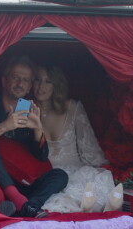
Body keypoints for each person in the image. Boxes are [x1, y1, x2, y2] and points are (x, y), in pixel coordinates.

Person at [0, 56, 68, 218]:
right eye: (15, 77)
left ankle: (27, 205)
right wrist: (3, 127)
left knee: (60, 175)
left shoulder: (25, 107)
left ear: (29, 86)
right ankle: (20, 202)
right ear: (4, 81)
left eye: (25, 80)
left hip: (22, 181)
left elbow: (41, 157)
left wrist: (38, 130)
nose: (20, 84)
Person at [33, 65, 123, 213]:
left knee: (93, 187)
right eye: (37, 80)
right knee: (56, 200)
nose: (41, 86)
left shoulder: (72, 107)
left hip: (75, 173)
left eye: (48, 81)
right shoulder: (25, 108)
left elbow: (90, 150)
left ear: (56, 85)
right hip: (46, 177)